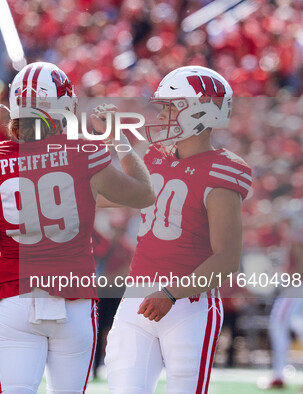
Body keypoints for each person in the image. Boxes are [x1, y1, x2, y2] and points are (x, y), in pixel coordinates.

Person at [0, 61, 155, 393]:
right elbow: (144, 194)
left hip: (17, 299)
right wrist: (119, 140)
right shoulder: (85, 153)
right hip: (74, 303)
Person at [105, 66, 253, 393]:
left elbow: (227, 257)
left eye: (171, 106)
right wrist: (117, 141)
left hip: (188, 305)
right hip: (137, 297)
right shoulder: (156, 155)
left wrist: (172, 293)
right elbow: (124, 190)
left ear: (199, 110)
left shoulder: (224, 168)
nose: (164, 114)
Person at [262, 199, 303, 390]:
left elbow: (301, 265)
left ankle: (279, 374)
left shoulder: (296, 236)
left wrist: (286, 280)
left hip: (296, 288)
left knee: (278, 326)